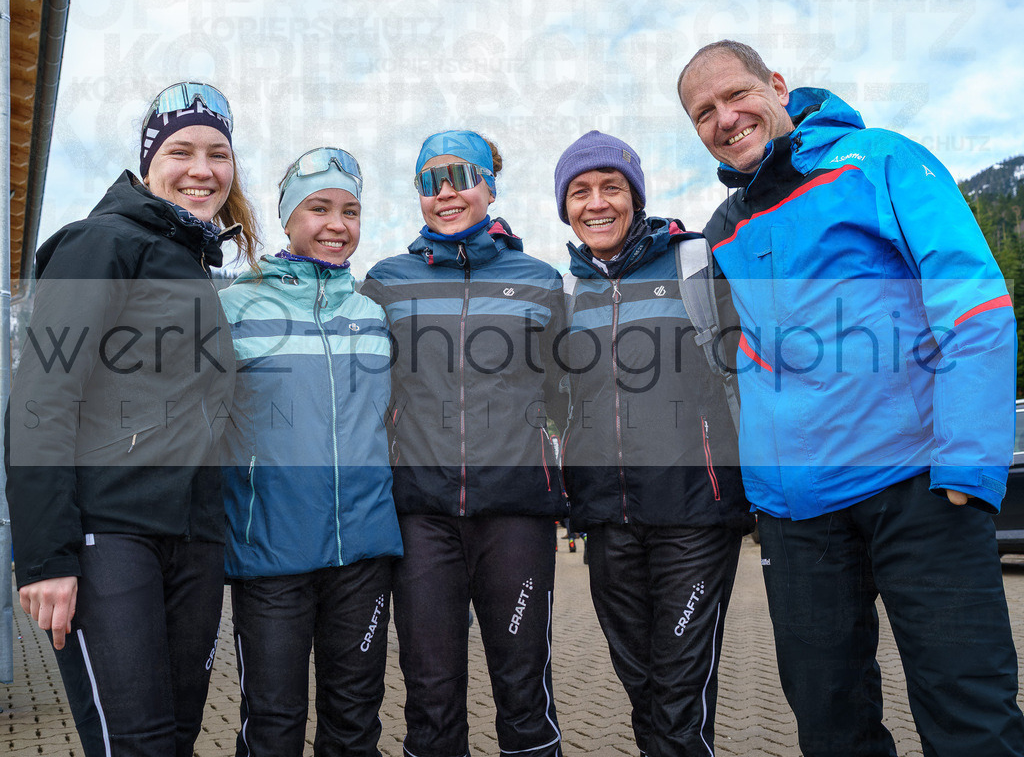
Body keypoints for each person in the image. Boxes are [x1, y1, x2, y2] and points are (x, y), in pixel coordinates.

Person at [677, 40, 1024, 757]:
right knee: (829, 724)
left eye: (736, 95)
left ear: (776, 84)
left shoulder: (881, 160)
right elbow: (738, 359)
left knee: (969, 715)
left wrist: (967, 464)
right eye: (703, 112)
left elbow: (972, 305)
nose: (725, 118)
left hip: (922, 486)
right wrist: (760, 493)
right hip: (797, 516)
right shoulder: (721, 231)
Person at [6, 82, 259, 757]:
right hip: (110, 539)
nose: (201, 170)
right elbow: (40, 399)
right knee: (134, 744)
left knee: (172, 741)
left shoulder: (197, 267)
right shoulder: (100, 244)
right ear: (150, 162)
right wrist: (44, 558)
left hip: (194, 543)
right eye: (182, 151)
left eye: (218, 153)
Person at [361, 130, 566, 757]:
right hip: (420, 516)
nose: (445, 192)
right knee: (430, 693)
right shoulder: (386, 282)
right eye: (429, 181)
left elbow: (564, 394)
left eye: (462, 176)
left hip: (515, 515)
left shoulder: (540, 280)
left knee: (523, 689)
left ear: (490, 186)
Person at [553, 130, 752, 756]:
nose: (597, 203)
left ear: (636, 197)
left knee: (679, 684)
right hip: (608, 520)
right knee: (639, 679)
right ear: (565, 208)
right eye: (580, 192)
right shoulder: (567, 290)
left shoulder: (695, 262)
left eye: (612, 187)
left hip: (695, 512)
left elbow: (752, 364)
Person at [218, 147, 402, 757]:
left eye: (350, 211)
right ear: (288, 218)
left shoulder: (373, 316)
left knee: (355, 725)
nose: (337, 224)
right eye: (319, 207)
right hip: (270, 552)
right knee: (272, 725)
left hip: (364, 554)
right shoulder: (234, 308)